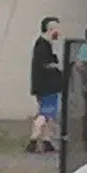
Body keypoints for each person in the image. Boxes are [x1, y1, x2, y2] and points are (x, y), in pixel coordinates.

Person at [28, 17, 65, 154]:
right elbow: (45, 65)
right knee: (45, 113)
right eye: (55, 28)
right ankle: (33, 139)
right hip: (47, 86)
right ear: (49, 29)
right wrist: (57, 67)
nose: (58, 32)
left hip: (47, 86)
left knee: (48, 114)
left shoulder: (47, 45)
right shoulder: (42, 46)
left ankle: (46, 140)